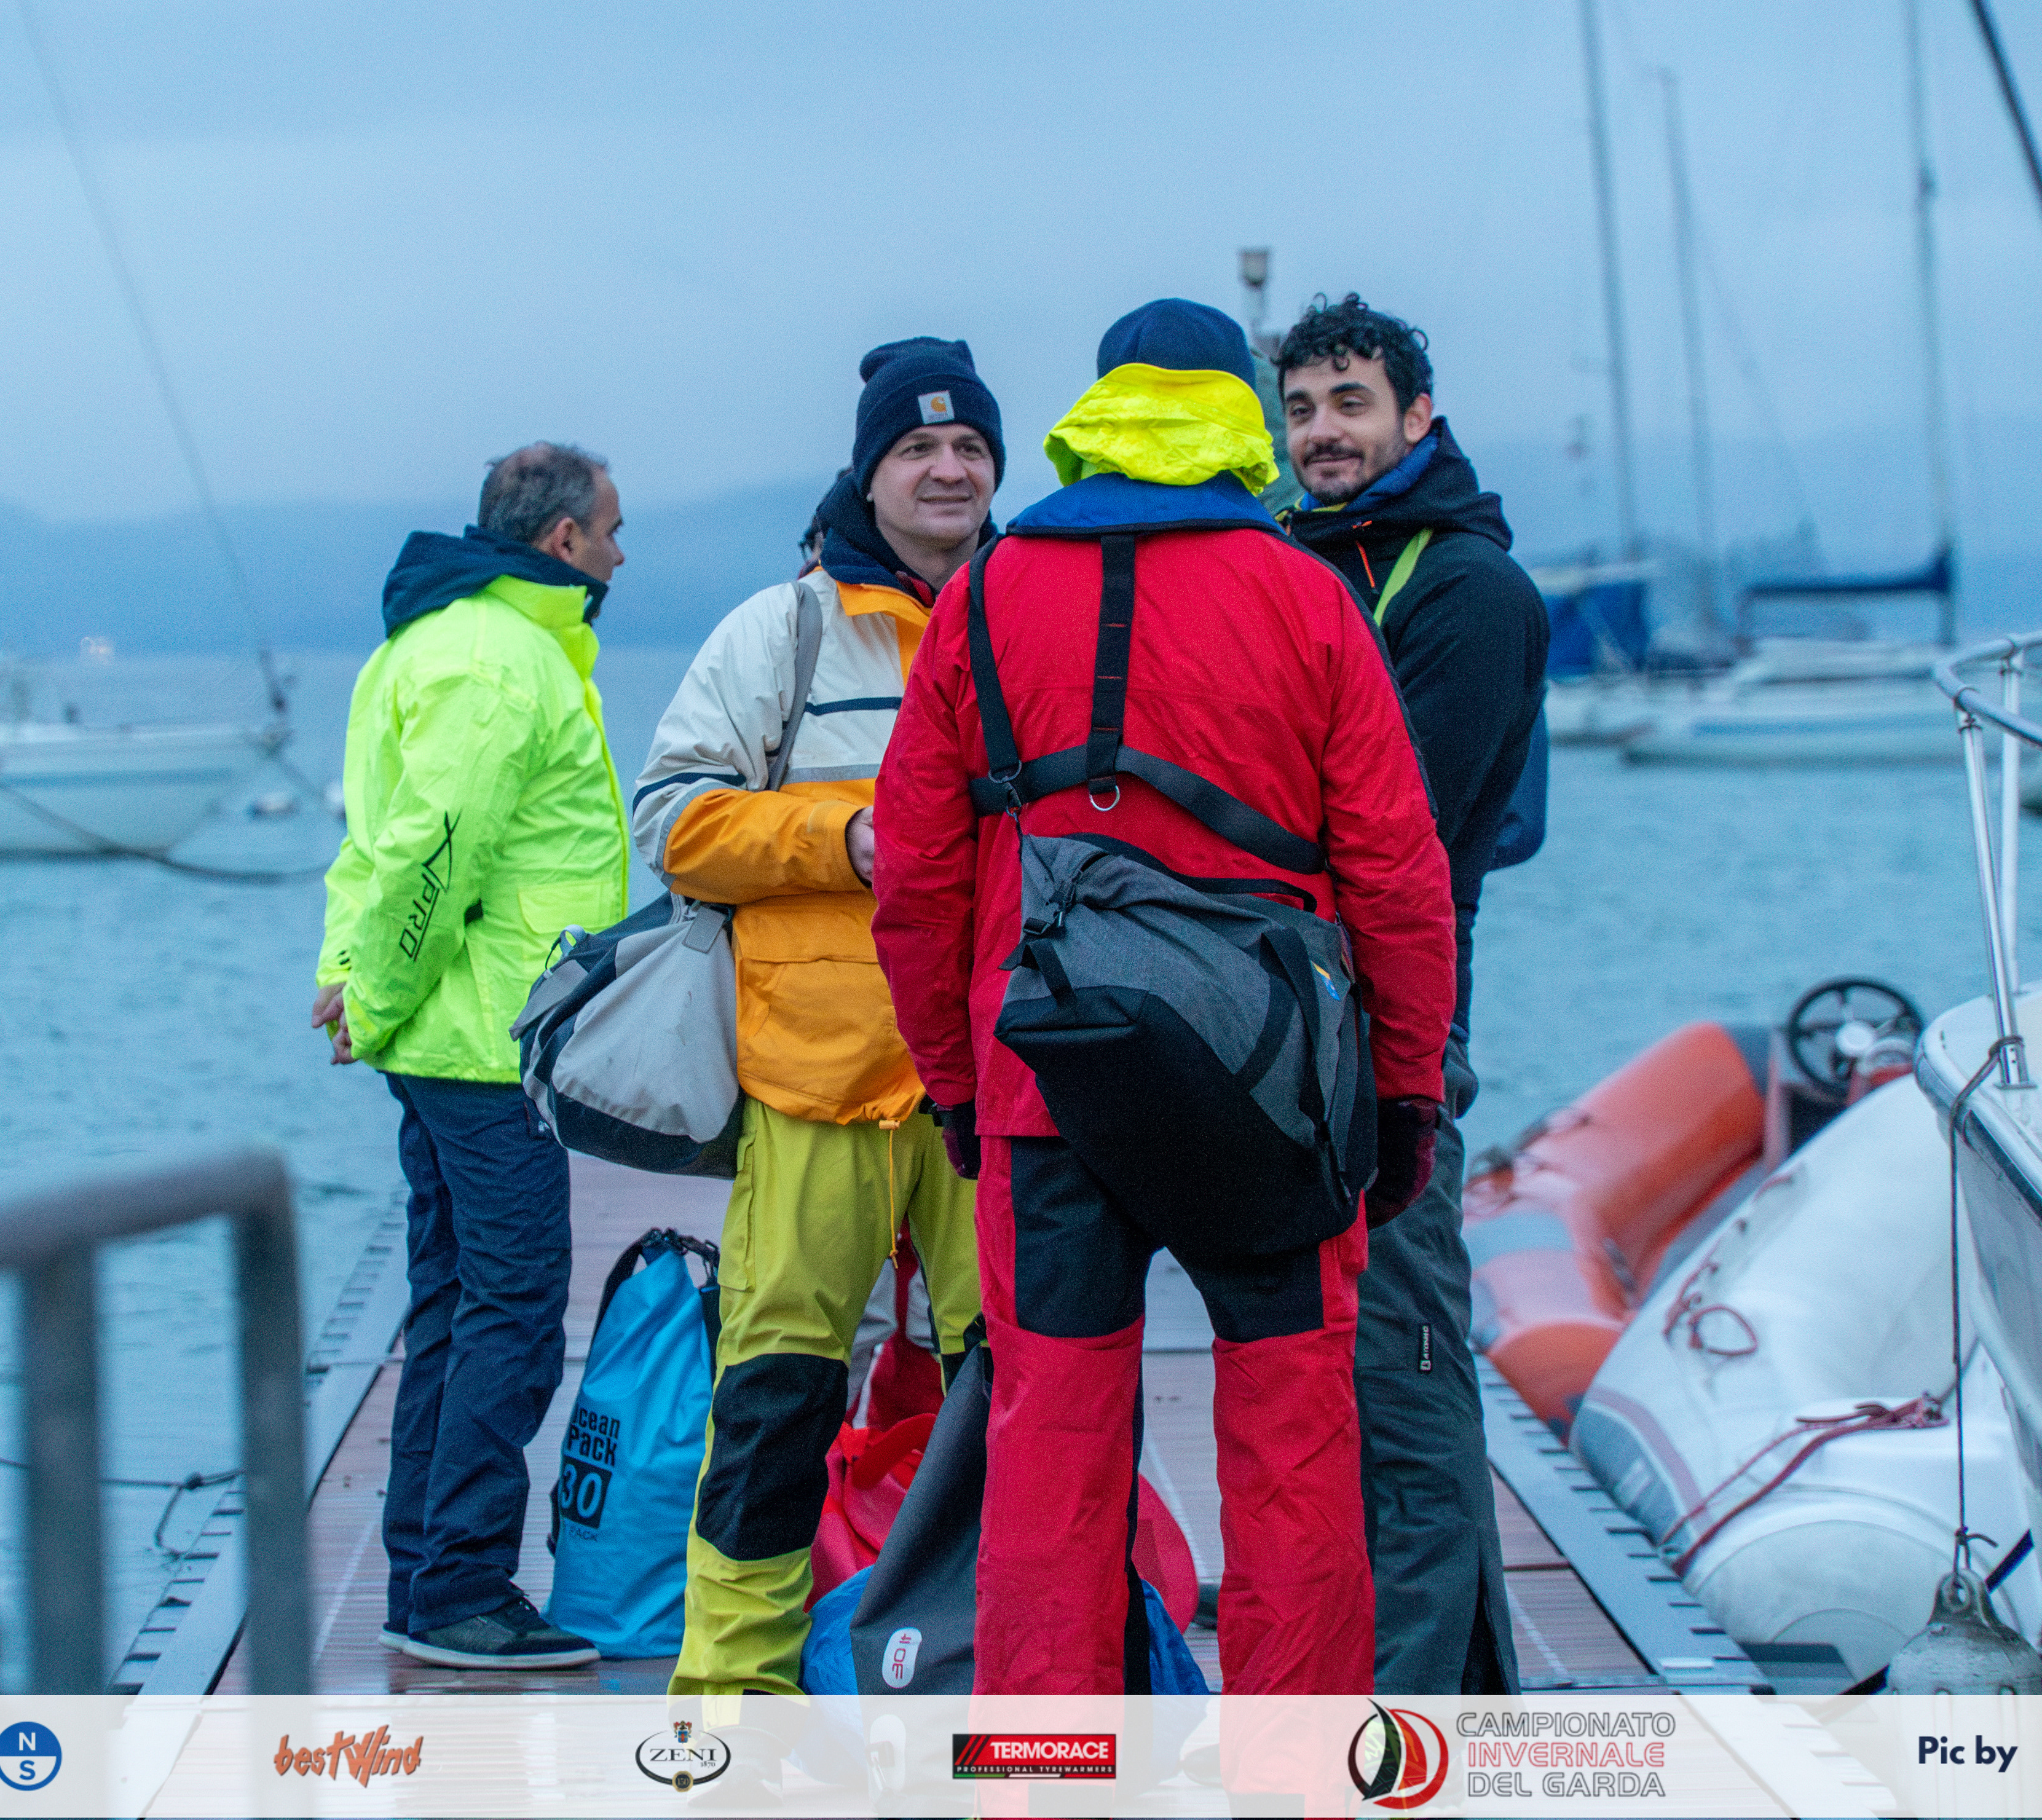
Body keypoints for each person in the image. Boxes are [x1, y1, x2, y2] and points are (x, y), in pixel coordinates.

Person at [871, 299, 1458, 1696]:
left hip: (1046, 1081)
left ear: (1101, 414)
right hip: (1275, 1090)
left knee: (1050, 1452)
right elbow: (1398, 871)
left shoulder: (984, 593)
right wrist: (1406, 1094)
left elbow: (916, 873)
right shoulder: (1306, 593)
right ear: (1234, 423)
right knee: (1294, 1456)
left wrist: (957, 1083)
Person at [633, 337, 996, 1697]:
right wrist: (845, 838)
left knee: (1009, 1397)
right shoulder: (778, 631)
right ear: (870, 470)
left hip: (992, 1088)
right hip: (814, 1079)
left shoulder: (1031, 614)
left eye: (969, 448)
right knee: (776, 1401)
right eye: (918, 448)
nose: (948, 468)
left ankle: (990, 1662)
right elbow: (672, 824)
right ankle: (735, 1696)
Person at [312, 441, 630, 1669]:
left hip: (448, 1035)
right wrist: (376, 989)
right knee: (513, 1302)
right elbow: (431, 852)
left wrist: (354, 987)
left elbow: (367, 846)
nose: (618, 551)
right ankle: (458, 1588)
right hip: (487, 1043)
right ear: (561, 542)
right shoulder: (501, 662)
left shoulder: (433, 643)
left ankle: (428, 1572)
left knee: (456, 1298)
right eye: (609, 530)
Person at [1279, 293, 1547, 1695]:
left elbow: (1405, 836)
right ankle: (1473, 1683)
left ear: (1417, 417)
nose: (1325, 433)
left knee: (1408, 1364)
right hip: (1287, 1021)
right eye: (1306, 409)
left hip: (1396, 1028)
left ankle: (1414, 1707)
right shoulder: (1297, 560)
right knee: (1361, 1368)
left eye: (1352, 405)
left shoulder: (1468, 590)